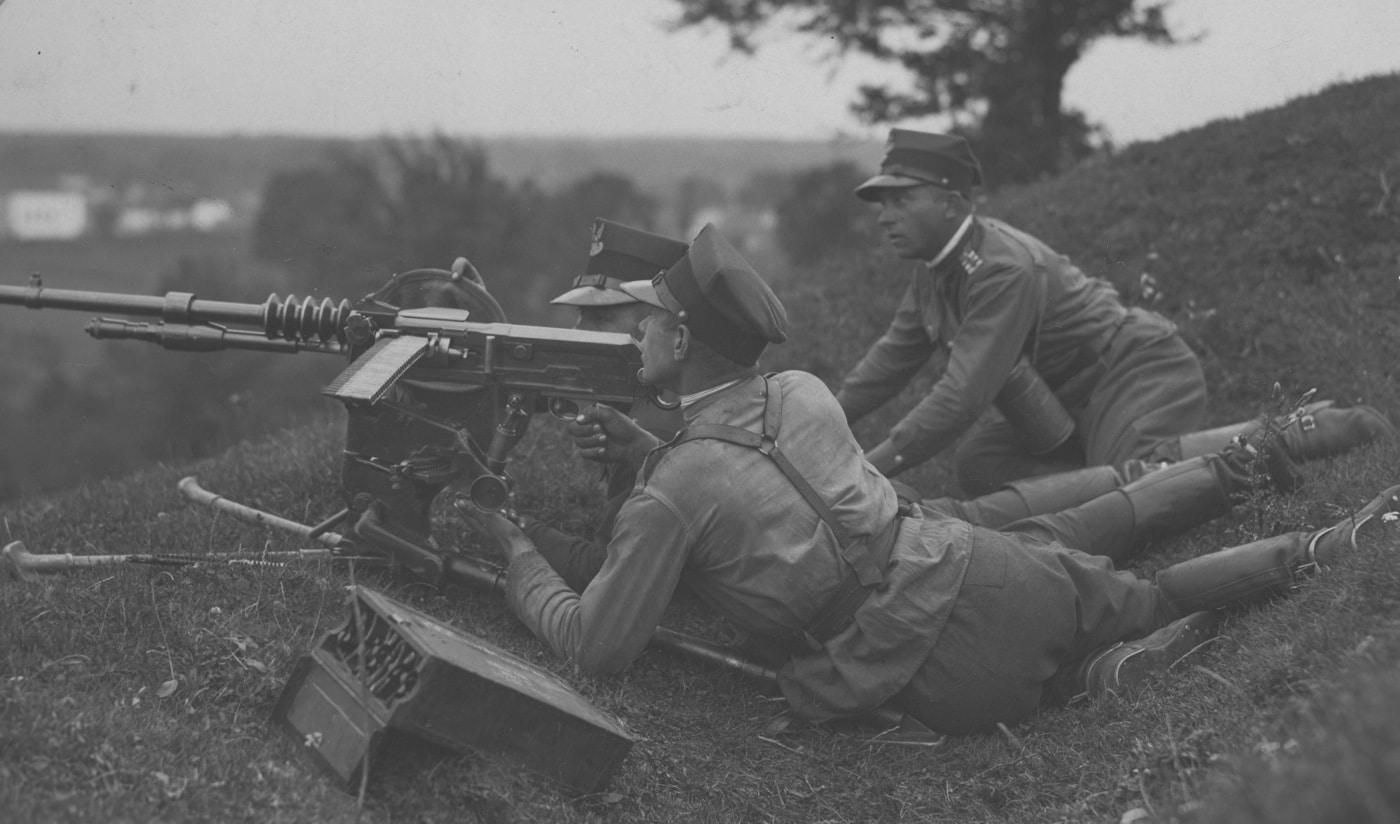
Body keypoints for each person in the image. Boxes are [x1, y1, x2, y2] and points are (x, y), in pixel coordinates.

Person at [457, 224, 1400, 735]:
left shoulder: (673, 487)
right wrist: (644, 452)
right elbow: (766, 480)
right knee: (1141, 586)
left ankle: (1089, 680)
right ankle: (1326, 544)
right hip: (981, 567)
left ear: (684, 339)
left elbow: (596, 646)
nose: (638, 332)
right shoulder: (802, 389)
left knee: (1094, 618)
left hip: (935, 676)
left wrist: (514, 552)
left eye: (649, 320)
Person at [839, 129, 1392, 496]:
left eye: (901, 200)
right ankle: (1092, 485)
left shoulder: (1000, 266)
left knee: (1138, 480)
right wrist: (826, 416)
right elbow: (892, 358)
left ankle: (1307, 431)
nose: (885, 216)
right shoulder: (936, 266)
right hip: (1061, 405)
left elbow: (962, 396)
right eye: (882, 204)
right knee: (982, 467)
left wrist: (871, 467)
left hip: (1132, 371)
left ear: (952, 202)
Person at [547, 218, 689, 542]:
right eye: (579, 315)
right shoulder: (638, 408)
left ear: (654, 320)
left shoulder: (656, 431)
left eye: (600, 317)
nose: (577, 331)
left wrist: (513, 527)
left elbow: (601, 565)